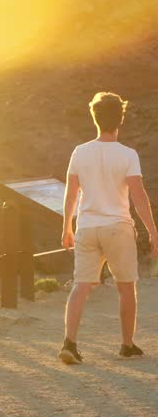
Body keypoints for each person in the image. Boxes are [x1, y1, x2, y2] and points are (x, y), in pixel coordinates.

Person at [60, 92, 157, 364]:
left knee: (80, 286)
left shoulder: (80, 152)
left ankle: (70, 342)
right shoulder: (127, 154)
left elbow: (71, 194)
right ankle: (127, 345)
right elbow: (138, 196)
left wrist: (67, 226)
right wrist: (153, 230)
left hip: (87, 227)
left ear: (94, 118)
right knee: (126, 287)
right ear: (120, 120)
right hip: (118, 228)